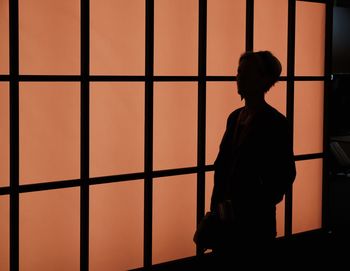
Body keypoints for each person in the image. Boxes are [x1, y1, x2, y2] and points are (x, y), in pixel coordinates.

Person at [209, 51, 296, 267]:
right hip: (226, 217)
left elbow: (286, 173)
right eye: (239, 73)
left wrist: (258, 199)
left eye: (246, 73)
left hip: (256, 221)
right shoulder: (234, 117)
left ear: (265, 79)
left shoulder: (276, 122)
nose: (239, 78)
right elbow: (223, 164)